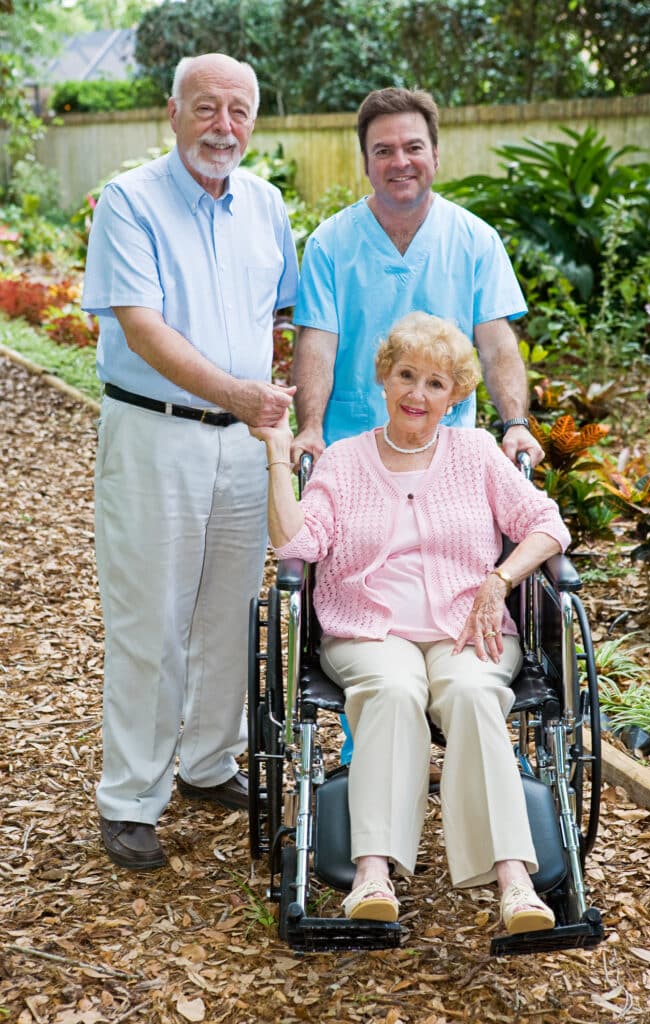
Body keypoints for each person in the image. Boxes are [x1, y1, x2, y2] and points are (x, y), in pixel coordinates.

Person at [251, 312, 570, 933]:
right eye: (406, 376)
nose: (417, 394)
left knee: (477, 693)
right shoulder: (343, 461)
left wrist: (500, 578)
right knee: (395, 692)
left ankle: (514, 880)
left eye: (435, 383)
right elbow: (297, 544)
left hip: (466, 626)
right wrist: (274, 452)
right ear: (383, 378)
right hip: (370, 628)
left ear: (454, 397)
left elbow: (546, 524)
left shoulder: (475, 452)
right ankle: (372, 872)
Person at [81, 53, 299, 871]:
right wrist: (242, 397)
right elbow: (142, 327)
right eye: (206, 108)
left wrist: (267, 409)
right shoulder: (130, 202)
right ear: (170, 112)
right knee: (151, 622)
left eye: (239, 110)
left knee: (229, 613)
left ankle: (210, 764)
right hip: (154, 433)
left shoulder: (267, 205)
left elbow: (276, 317)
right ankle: (132, 799)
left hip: (246, 448)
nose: (224, 126)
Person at [291, 86, 543, 469]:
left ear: (436, 155)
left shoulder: (476, 240)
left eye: (413, 147)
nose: (400, 162)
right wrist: (309, 427)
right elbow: (317, 348)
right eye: (383, 151)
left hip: (447, 454)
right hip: (352, 452)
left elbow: (497, 348)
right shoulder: (329, 243)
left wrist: (515, 424)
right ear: (365, 162)